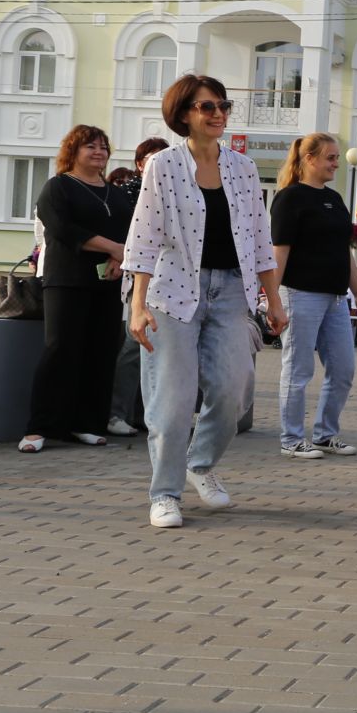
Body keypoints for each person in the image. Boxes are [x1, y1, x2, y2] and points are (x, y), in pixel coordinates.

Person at [127, 76, 287, 528]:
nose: (218, 113)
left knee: (235, 390)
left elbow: (259, 239)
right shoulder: (162, 165)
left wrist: (273, 300)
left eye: (223, 105)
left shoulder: (244, 168)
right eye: (206, 107)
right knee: (172, 401)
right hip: (172, 291)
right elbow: (143, 238)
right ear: (184, 114)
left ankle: (200, 465)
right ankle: (164, 493)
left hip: (232, 290)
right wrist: (138, 306)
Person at [19, 125, 133, 454]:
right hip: (67, 279)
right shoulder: (58, 187)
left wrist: (120, 257)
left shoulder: (115, 193)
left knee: (100, 352)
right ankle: (38, 428)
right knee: (60, 350)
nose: (99, 153)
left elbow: (131, 230)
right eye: (90, 147)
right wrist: (114, 248)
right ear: (73, 151)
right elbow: (64, 229)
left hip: (109, 280)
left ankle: (86, 424)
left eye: (103, 147)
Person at [271, 133, 357, 461]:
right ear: (309, 159)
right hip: (300, 294)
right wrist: (273, 299)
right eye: (330, 157)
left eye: (337, 157)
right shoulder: (289, 198)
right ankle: (291, 438)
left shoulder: (336, 199)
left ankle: (326, 434)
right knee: (298, 369)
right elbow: (279, 252)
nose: (336, 163)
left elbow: (345, 254)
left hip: (335, 298)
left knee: (343, 368)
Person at [107, 138, 169, 437]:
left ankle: (150, 415)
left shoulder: (177, 189)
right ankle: (117, 413)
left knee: (164, 348)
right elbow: (122, 235)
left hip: (173, 278)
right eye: (151, 158)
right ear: (140, 164)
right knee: (134, 345)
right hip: (139, 278)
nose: (159, 163)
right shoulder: (127, 194)